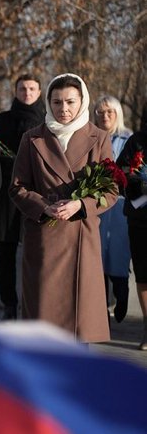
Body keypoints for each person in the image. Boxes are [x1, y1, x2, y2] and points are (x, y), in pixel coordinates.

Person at [9, 74, 116, 343]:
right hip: (44, 237)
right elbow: (17, 187)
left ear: (82, 101)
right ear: (48, 102)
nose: (63, 109)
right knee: (44, 331)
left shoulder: (99, 138)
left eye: (70, 101)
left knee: (80, 329)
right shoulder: (32, 138)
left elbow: (111, 189)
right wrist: (45, 207)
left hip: (82, 235)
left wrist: (81, 204)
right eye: (56, 102)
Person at [0, 74, 46, 320]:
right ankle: (9, 305)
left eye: (32, 88)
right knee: (6, 256)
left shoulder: (47, 122)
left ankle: (35, 306)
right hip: (6, 198)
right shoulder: (1, 120)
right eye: (23, 88)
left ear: (40, 92)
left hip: (38, 197)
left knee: (39, 255)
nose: (27, 93)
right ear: (16, 91)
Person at [93, 96, 132, 323]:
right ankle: (102, 306)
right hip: (97, 202)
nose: (105, 116)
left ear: (117, 113)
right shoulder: (91, 137)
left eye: (109, 112)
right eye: (100, 112)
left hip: (120, 203)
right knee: (97, 253)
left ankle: (122, 291)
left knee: (118, 251)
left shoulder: (128, 139)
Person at [115, 125, 147, 349]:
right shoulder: (137, 141)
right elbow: (120, 172)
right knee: (144, 274)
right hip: (141, 216)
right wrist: (141, 182)